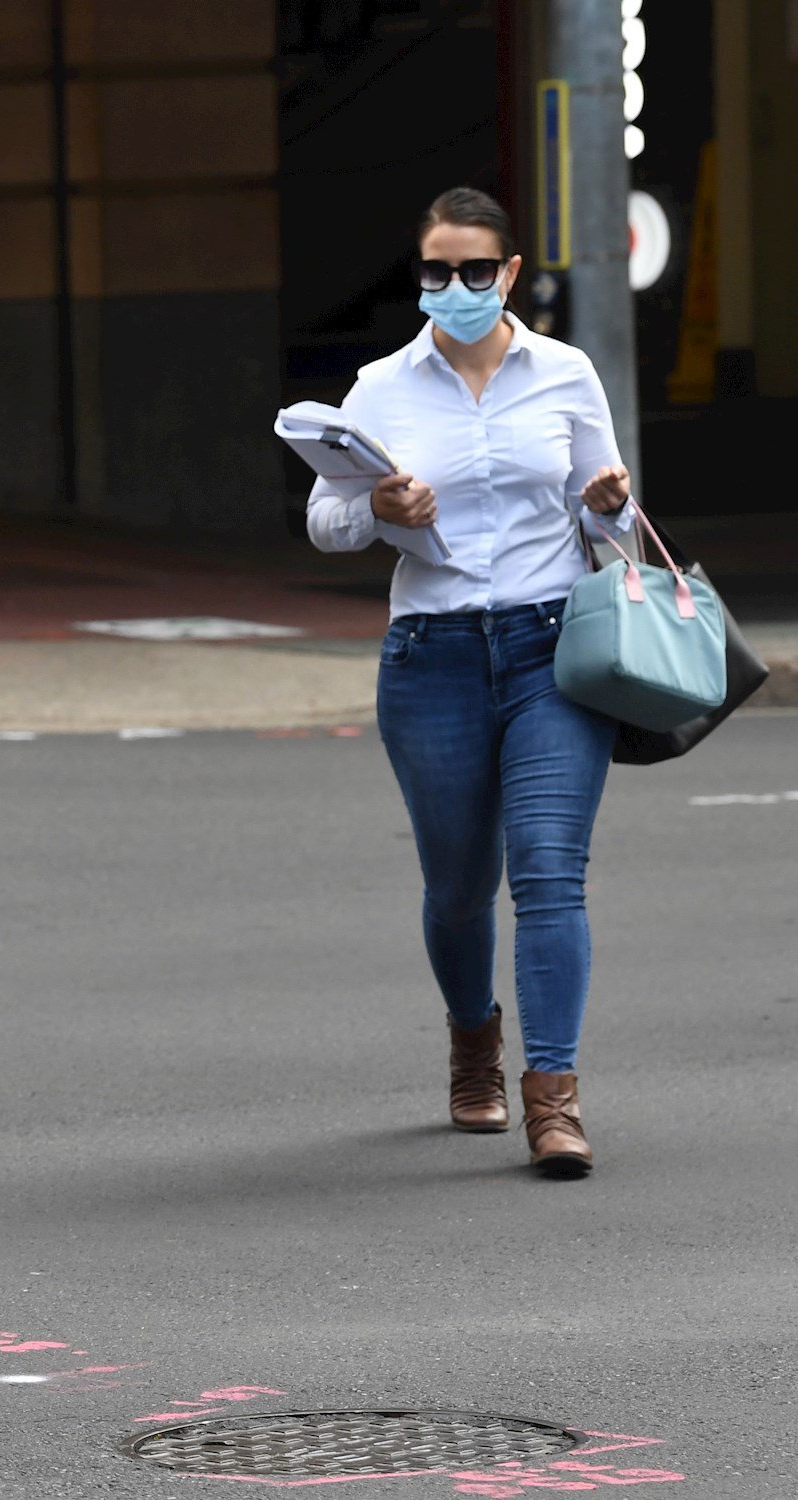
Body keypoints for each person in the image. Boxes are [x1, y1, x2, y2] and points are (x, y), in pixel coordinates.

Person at [307, 187, 635, 1179]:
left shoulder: (566, 374)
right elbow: (325, 524)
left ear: (508, 273)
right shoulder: (379, 386)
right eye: (433, 271)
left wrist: (609, 505)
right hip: (432, 654)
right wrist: (376, 500)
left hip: (551, 650)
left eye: (471, 271)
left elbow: (612, 525)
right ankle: (469, 1043)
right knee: (457, 886)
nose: (451, 288)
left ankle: (554, 1096)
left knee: (546, 872)